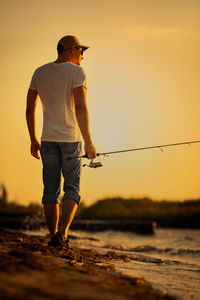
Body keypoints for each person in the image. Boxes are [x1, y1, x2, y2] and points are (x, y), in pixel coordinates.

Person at [26, 35, 96, 248]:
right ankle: (62, 234)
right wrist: (89, 141)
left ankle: (53, 235)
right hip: (71, 140)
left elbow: (30, 109)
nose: (82, 56)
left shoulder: (39, 72)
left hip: (47, 140)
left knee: (50, 191)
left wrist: (33, 139)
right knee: (72, 189)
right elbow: (81, 107)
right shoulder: (77, 72)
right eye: (81, 51)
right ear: (72, 49)